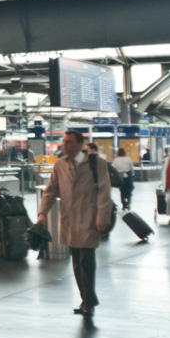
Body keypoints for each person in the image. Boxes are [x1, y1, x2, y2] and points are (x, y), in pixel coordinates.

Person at [37, 130, 113, 317]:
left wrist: (102, 217)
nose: (64, 145)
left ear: (80, 144)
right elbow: (50, 191)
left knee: (86, 260)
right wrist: (42, 213)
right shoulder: (60, 165)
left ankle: (89, 302)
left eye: (69, 142)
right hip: (69, 219)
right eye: (63, 142)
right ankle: (86, 300)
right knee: (77, 262)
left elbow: (104, 192)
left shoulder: (96, 163)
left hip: (89, 218)